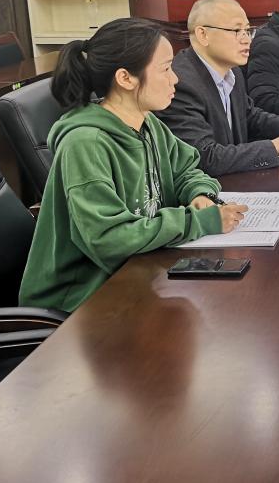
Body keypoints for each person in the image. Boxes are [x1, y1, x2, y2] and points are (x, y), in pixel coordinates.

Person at [19, 18, 248, 312]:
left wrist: (199, 194)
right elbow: (109, 239)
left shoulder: (147, 122)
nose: (175, 79)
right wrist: (199, 222)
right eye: (165, 69)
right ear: (126, 78)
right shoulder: (85, 144)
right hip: (83, 299)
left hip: (138, 270)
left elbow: (187, 169)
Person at [157, 0, 279, 177]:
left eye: (247, 31)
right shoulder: (180, 83)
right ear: (203, 35)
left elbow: (248, 114)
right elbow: (204, 156)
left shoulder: (232, 71)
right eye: (237, 31)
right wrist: (272, 148)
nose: (247, 40)